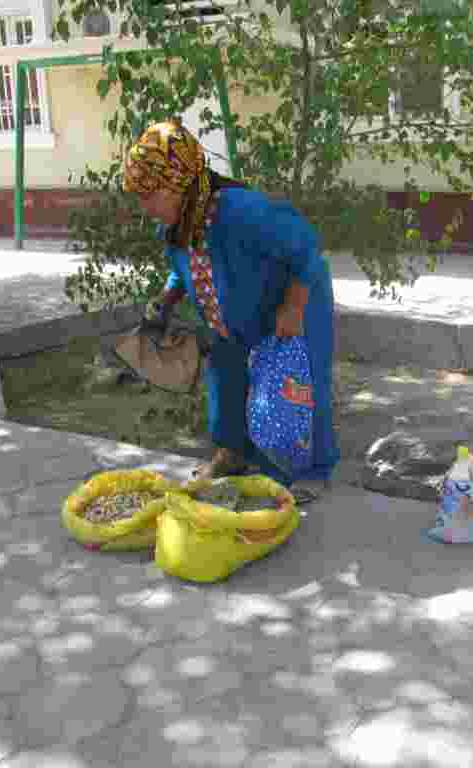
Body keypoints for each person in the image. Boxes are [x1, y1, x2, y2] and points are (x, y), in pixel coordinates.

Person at [122, 119, 340, 493]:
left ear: (178, 185)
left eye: (149, 194)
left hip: (293, 305)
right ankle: (233, 451)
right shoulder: (176, 224)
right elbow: (183, 267)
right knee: (226, 376)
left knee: (296, 387)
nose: (145, 206)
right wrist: (169, 297)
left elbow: (307, 248)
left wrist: (293, 305)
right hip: (231, 318)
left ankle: (312, 472)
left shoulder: (242, 211)